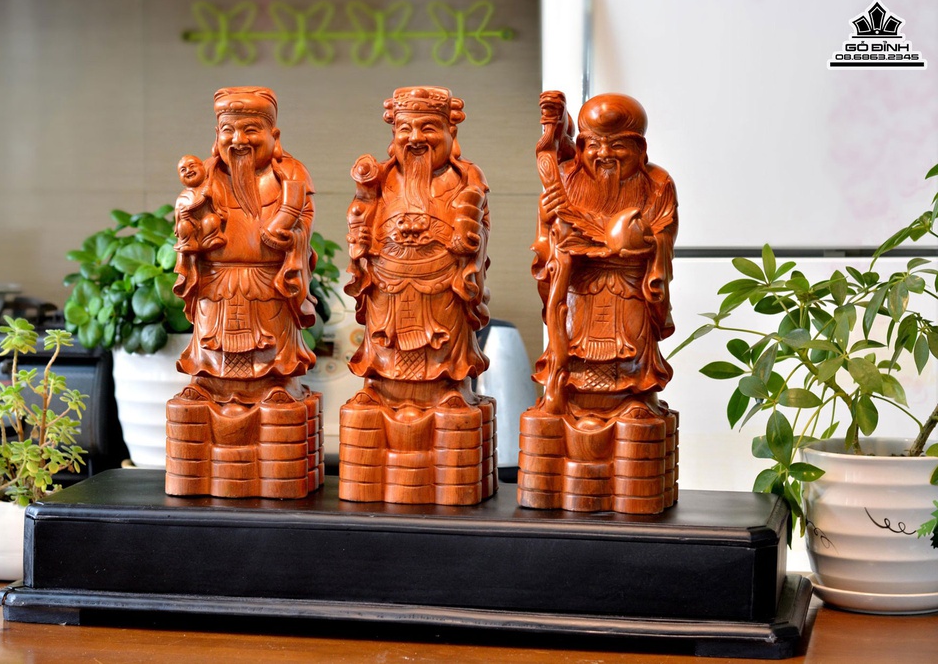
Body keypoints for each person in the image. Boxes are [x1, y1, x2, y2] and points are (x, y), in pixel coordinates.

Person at [519, 92, 679, 514]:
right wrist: (551, 224)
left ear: (639, 148)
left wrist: (625, 241)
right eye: (593, 144)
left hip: (629, 287)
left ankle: (631, 401)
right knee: (576, 347)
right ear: (581, 145)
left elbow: (659, 235)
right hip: (577, 291)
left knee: (630, 348)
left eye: (617, 145)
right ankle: (571, 398)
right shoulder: (565, 179)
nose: (604, 154)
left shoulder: (657, 184)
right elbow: (549, 242)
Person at [339, 86, 494, 505]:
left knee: (444, 333)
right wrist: (360, 235)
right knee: (384, 337)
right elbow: (360, 216)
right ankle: (380, 386)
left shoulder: (466, 180)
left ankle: (447, 388)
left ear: (450, 132)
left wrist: (466, 239)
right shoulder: (381, 178)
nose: (415, 138)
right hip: (387, 280)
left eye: (428, 128)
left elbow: (476, 233)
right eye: (405, 129)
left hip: (442, 281)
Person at [165, 87, 321, 499]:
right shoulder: (206, 177)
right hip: (216, 282)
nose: (239, 140)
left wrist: (291, 232)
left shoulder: (289, 176)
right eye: (228, 130)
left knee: (271, 342)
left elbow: (302, 217)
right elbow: (186, 215)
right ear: (216, 135)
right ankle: (209, 383)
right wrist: (190, 230)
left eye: (251, 130)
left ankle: (275, 383)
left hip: (269, 282)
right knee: (211, 338)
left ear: (274, 135)